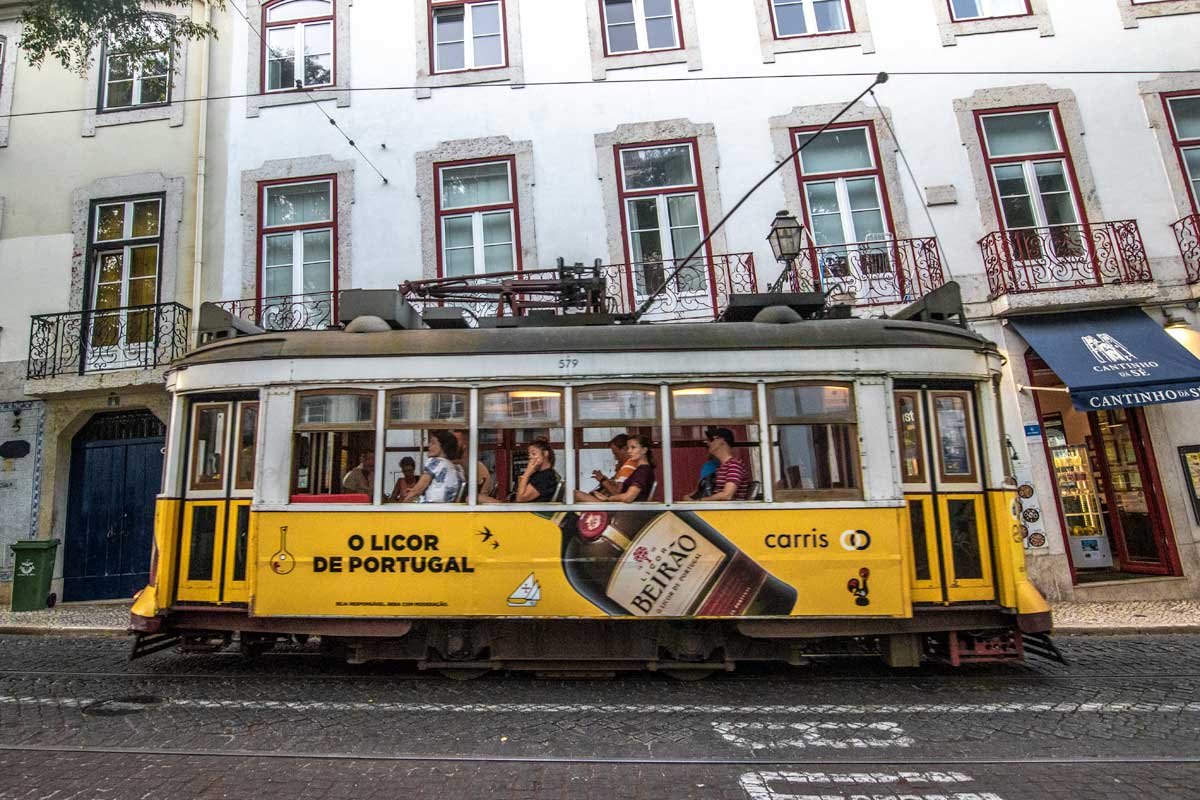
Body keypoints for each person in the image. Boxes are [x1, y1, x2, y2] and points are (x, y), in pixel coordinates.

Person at [576, 434, 655, 503]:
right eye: (628, 448)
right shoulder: (640, 469)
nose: (629, 451)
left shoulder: (643, 471)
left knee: (575, 494)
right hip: (619, 506)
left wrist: (607, 499)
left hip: (623, 510)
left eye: (633, 448)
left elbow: (628, 497)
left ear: (644, 450)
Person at [482, 438, 560, 503]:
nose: (530, 457)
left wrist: (527, 473)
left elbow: (521, 498)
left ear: (546, 454)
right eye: (529, 455)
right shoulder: (538, 473)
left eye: (534, 454)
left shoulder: (546, 477)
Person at [684, 427, 750, 501]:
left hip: (728, 511)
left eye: (711, 439)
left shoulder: (734, 465)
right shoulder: (721, 467)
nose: (707, 442)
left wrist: (699, 501)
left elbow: (727, 495)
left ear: (722, 441)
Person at [403, 430, 463, 503]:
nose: (429, 445)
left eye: (433, 443)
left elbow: (417, 490)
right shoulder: (458, 468)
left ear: (443, 447)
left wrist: (403, 503)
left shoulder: (435, 462)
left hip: (431, 508)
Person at [452, 429, 493, 497]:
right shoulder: (475, 464)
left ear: (464, 445)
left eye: (454, 441)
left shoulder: (473, 466)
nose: (450, 444)